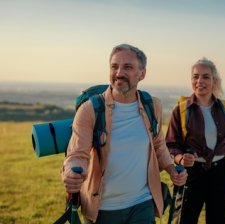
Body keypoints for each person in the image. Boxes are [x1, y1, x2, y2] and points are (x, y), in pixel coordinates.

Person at [62, 43, 187, 224]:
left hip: (142, 203)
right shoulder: (90, 110)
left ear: (142, 73)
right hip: (102, 208)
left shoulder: (152, 106)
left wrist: (171, 168)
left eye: (127, 67)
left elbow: (158, 144)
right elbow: (77, 153)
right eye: (114, 66)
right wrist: (71, 172)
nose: (119, 73)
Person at [165, 57, 225, 224]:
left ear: (214, 80)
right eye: (195, 76)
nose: (199, 81)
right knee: (185, 220)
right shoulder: (180, 110)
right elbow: (171, 146)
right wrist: (181, 158)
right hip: (191, 174)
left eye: (205, 76)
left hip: (222, 174)